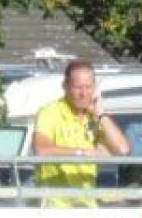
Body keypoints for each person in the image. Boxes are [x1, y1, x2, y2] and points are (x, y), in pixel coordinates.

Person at [32, 60, 130, 203]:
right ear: (65, 87)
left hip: (87, 204)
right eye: (78, 87)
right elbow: (41, 150)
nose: (83, 93)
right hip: (56, 205)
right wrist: (83, 153)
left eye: (88, 87)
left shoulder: (94, 117)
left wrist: (101, 114)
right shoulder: (50, 112)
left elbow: (122, 150)